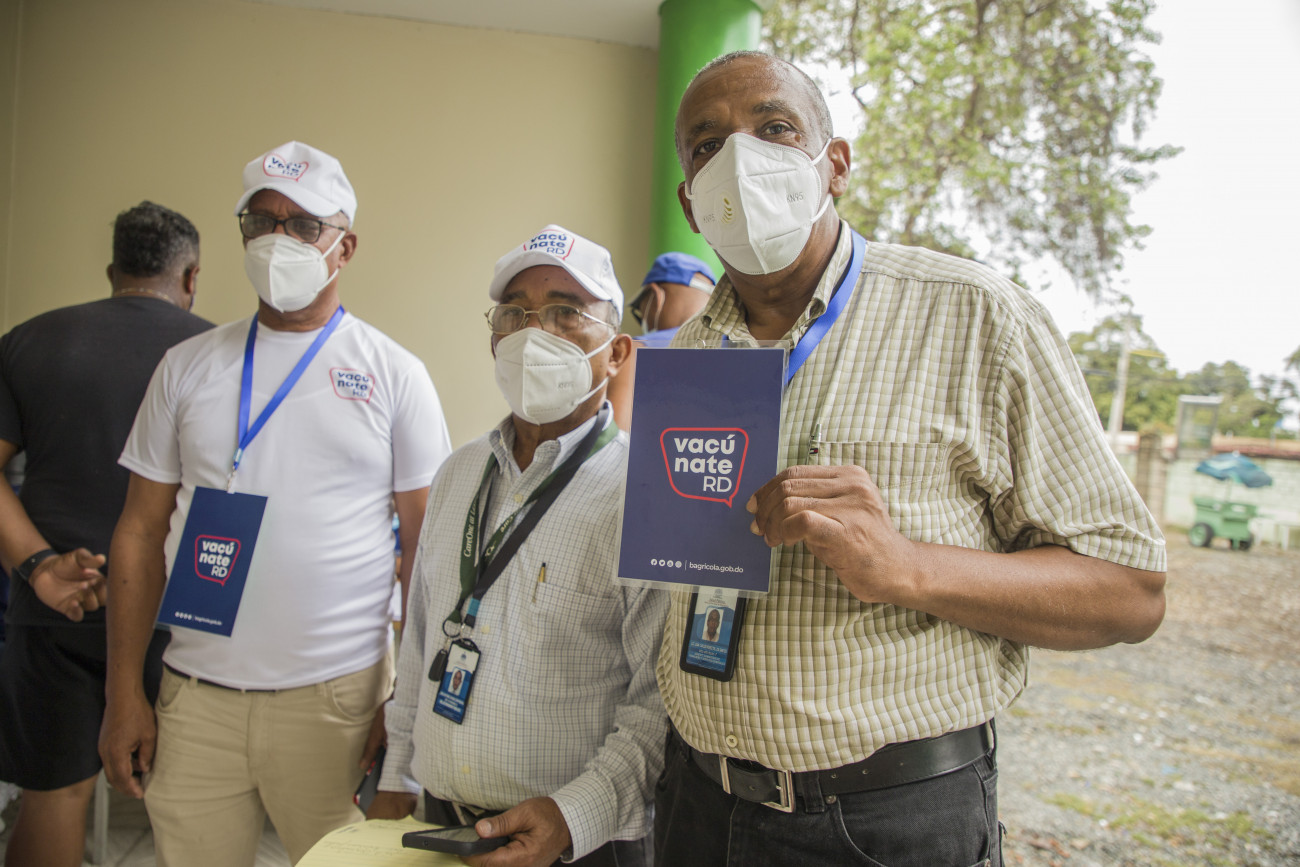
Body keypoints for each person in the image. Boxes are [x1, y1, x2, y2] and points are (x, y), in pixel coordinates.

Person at [652, 52, 1168, 867]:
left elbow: (1131, 590)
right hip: (696, 804)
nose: (740, 160)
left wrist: (909, 567)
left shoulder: (973, 315)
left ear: (836, 165)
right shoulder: (687, 352)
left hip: (885, 822)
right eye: (707, 145)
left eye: (775, 128)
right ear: (690, 201)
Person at [98, 141, 452, 866]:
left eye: (303, 225)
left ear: (344, 246)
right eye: (261, 222)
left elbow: (425, 546)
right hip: (195, 698)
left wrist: (406, 705)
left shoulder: (394, 374)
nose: (277, 240)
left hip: (336, 703)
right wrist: (123, 690)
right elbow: (138, 530)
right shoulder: (187, 367)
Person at [368, 225, 668, 867]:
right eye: (515, 314)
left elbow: (657, 703)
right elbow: (419, 643)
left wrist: (570, 817)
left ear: (617, 352)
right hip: (438, 825)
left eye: (565, 312)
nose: (535, 335)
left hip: (578, 844)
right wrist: (397, 776)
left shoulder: (644, 493)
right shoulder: (458, 474)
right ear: (494, 338)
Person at [0, 201, 211, 867]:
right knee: (194, 808)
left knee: (53, 798)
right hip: (179, 613)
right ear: (191, 277)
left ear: (113, 271)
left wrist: (39, 566)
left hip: (60, 604)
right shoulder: (216, 354)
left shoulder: (30, 340)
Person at [608, 252, 715, 430]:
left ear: (655, 296)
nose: (644, 320)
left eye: (641, 312)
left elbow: (614, 437)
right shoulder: (740, 349)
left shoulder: (636, 352)